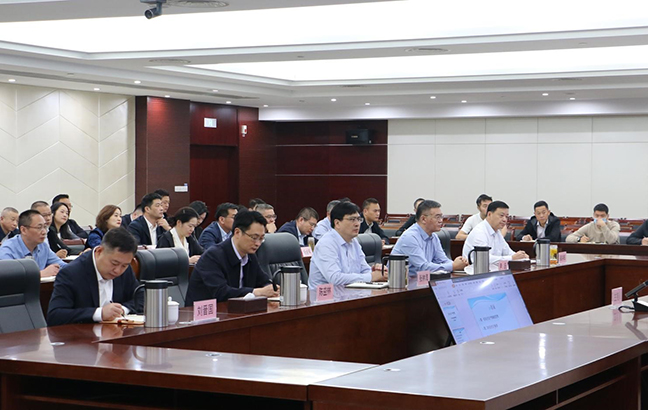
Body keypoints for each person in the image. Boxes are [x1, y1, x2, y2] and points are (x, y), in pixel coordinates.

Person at [46, 228, 143, 326]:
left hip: (116, 331)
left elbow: (142, 297)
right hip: (83, 333)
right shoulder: (71, 273)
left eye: (124, 266)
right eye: (114, 263)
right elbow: (55, 316)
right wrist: (99, 313)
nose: (118, 270)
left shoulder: (125, 268)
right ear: (99, 251)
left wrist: (122, 309)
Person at [185, 211, 278, 304]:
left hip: (238, 309)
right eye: (254, 237)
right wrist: (256, 292)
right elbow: (221, 292)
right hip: (205, 310)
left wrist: (271, 289)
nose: (258, 243)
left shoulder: (250, 256)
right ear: (237, 232)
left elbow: (263, 280)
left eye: (261, 238)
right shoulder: (213, 256)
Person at [308, 202, 386, 289]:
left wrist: (376, 272)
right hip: (325, 296)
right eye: (352, 219)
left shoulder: (354, 242)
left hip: (349, 292)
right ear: (337, 223)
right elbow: (335, 278)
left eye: (358, 219)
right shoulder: (326, 244)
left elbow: (365, 269)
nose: (357, 224)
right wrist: (371, 277)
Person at [392, 200, 468, 276]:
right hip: (402, 280)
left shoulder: (434, 237)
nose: (441, 221)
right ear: (423, 219)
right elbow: (423, 268)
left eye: (441, 217)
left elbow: (442, 260)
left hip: (421, 280)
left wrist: (458, 264)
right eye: (437, 217)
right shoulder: (410, 237)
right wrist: (453, 266)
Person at [0, 210, 64, 277]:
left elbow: (63, 266)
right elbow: (8, 277)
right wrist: (40, 274)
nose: (44, 232)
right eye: (39, 227)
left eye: (45, 227)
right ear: (23, 230)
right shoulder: (7, 249)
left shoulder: (43, 246)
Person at [463, 201, 529, 265]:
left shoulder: (497, 232)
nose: (505, 220)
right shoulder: (480, 232)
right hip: (475, 270)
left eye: (506, 216)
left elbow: (507, 252)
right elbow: (484, 258)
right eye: (501, 215)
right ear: (489, 214)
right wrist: (512, 258)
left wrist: (520, 256)